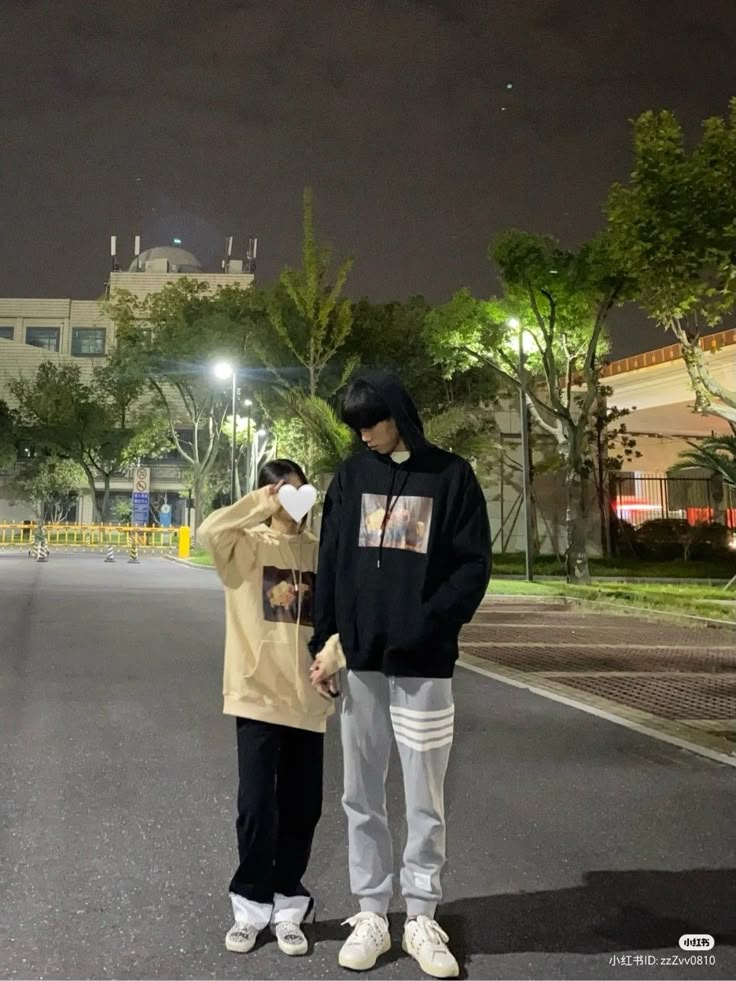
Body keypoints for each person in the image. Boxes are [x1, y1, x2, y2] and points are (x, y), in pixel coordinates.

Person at [309, 371, 491, 979]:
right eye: (355, 426)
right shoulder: (353, 476)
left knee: (424, 797)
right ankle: (369, 911)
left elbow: (471, 567)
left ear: (401, 415)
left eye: (373, 423)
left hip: (424, 665)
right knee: (360, 793)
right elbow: (330, 560)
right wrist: (327, 638)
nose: (364, 436)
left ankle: (419, 913)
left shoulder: (451, 476)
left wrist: (427, 626)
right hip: (359, 662)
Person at [198, 459, 345, 959]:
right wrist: (265, 500)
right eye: (288, 494)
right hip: (256, 693)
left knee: (303, 806)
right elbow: (209, 529)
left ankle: (288, 903)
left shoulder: (319, 552)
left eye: (302, 495)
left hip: (307, 695)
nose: (298, 506)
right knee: (258, 805)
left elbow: (337, 615)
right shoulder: (244, 547)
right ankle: (250, 902)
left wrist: (335, 657)